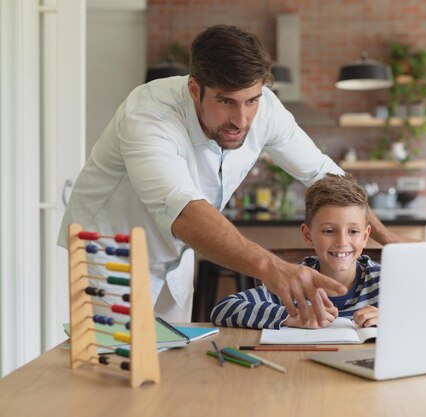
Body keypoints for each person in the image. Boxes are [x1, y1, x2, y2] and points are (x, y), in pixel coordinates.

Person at [58, 24, 403, 324]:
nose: (241, 119)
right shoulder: (149, 118)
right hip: (109, 249)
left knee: (172, 362)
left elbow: (324, 174)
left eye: (251, 100)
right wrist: (272, 268)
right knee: (113, 368)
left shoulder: (264, 107)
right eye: (226, 102)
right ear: (195, 89)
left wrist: (391, 243)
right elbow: (184, 210)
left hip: (175, 253)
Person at [210, 173, 379, 329]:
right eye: (328, 231)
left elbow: (406, 316)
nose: (342, 242)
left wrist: (392, 318)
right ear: (308, 235)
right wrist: (292, 316)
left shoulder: (385, 281)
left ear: (365, 236)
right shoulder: (293, 283)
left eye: (353, 231)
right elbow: (223, 310)